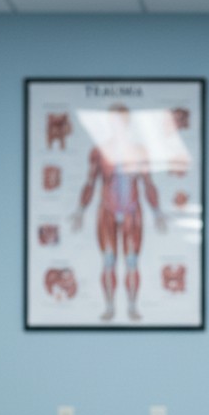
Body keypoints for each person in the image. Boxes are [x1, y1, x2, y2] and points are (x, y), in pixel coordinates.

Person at [70, 103, 166, 322]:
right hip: (107, 211)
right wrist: (80, 209)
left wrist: (157, 211)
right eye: (113, 121)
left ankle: (132, 306)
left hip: (132, 212)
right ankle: (110, 307)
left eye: (121, 121)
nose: (117, 125)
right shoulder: (99, 151)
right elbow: (90, 182)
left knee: (131, 261)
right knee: (109, 260)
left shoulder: (139, 151)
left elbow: (148, 183)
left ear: (127, 122)